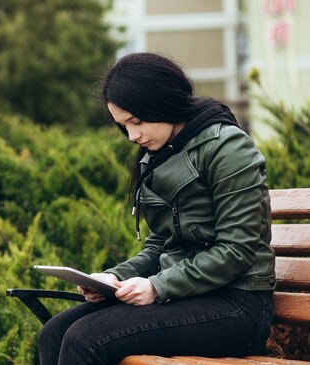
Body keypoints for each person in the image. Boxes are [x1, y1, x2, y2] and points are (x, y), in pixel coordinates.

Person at [38, 52, 276, 365]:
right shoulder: (159, 154)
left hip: (238, 303)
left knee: (88, 340)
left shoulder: (228, 148)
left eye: (136, 122)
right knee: (54, 332)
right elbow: (161, 244)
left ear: (162, 102)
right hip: (188, 296)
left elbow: (237, 250)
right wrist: (112, 279)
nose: (133, 136)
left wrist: (158, 285)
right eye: (124, 127)